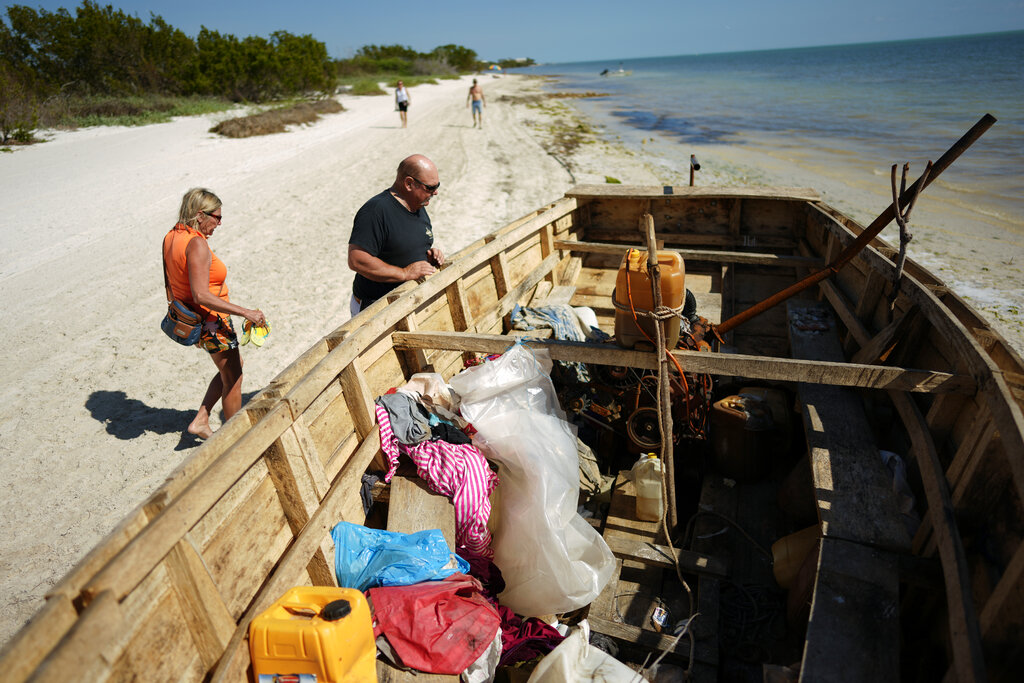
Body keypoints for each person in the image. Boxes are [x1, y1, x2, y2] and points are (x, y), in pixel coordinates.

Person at [162, 188, 266, 439]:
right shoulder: (196, 243)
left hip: (199, 320)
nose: (220, 222)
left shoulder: (171, 236)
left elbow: (170, 283)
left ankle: (201, 419)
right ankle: (236, 439)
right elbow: (201, 294)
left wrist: (188, 322)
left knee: (232, 367)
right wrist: (245, 312)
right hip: (211, 319)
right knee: (234, 378)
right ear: (200, 215)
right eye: (216, 217)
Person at [347, 154, 445, 316]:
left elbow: (403, 244)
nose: (435, 193)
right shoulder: (376, 211)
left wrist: (428, 256)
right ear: (409, 184)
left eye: (437, 186)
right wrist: (404, 273)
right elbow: (357, 260)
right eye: (430, 188)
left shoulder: (418, 206)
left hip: (407, 303)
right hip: (375, 306)